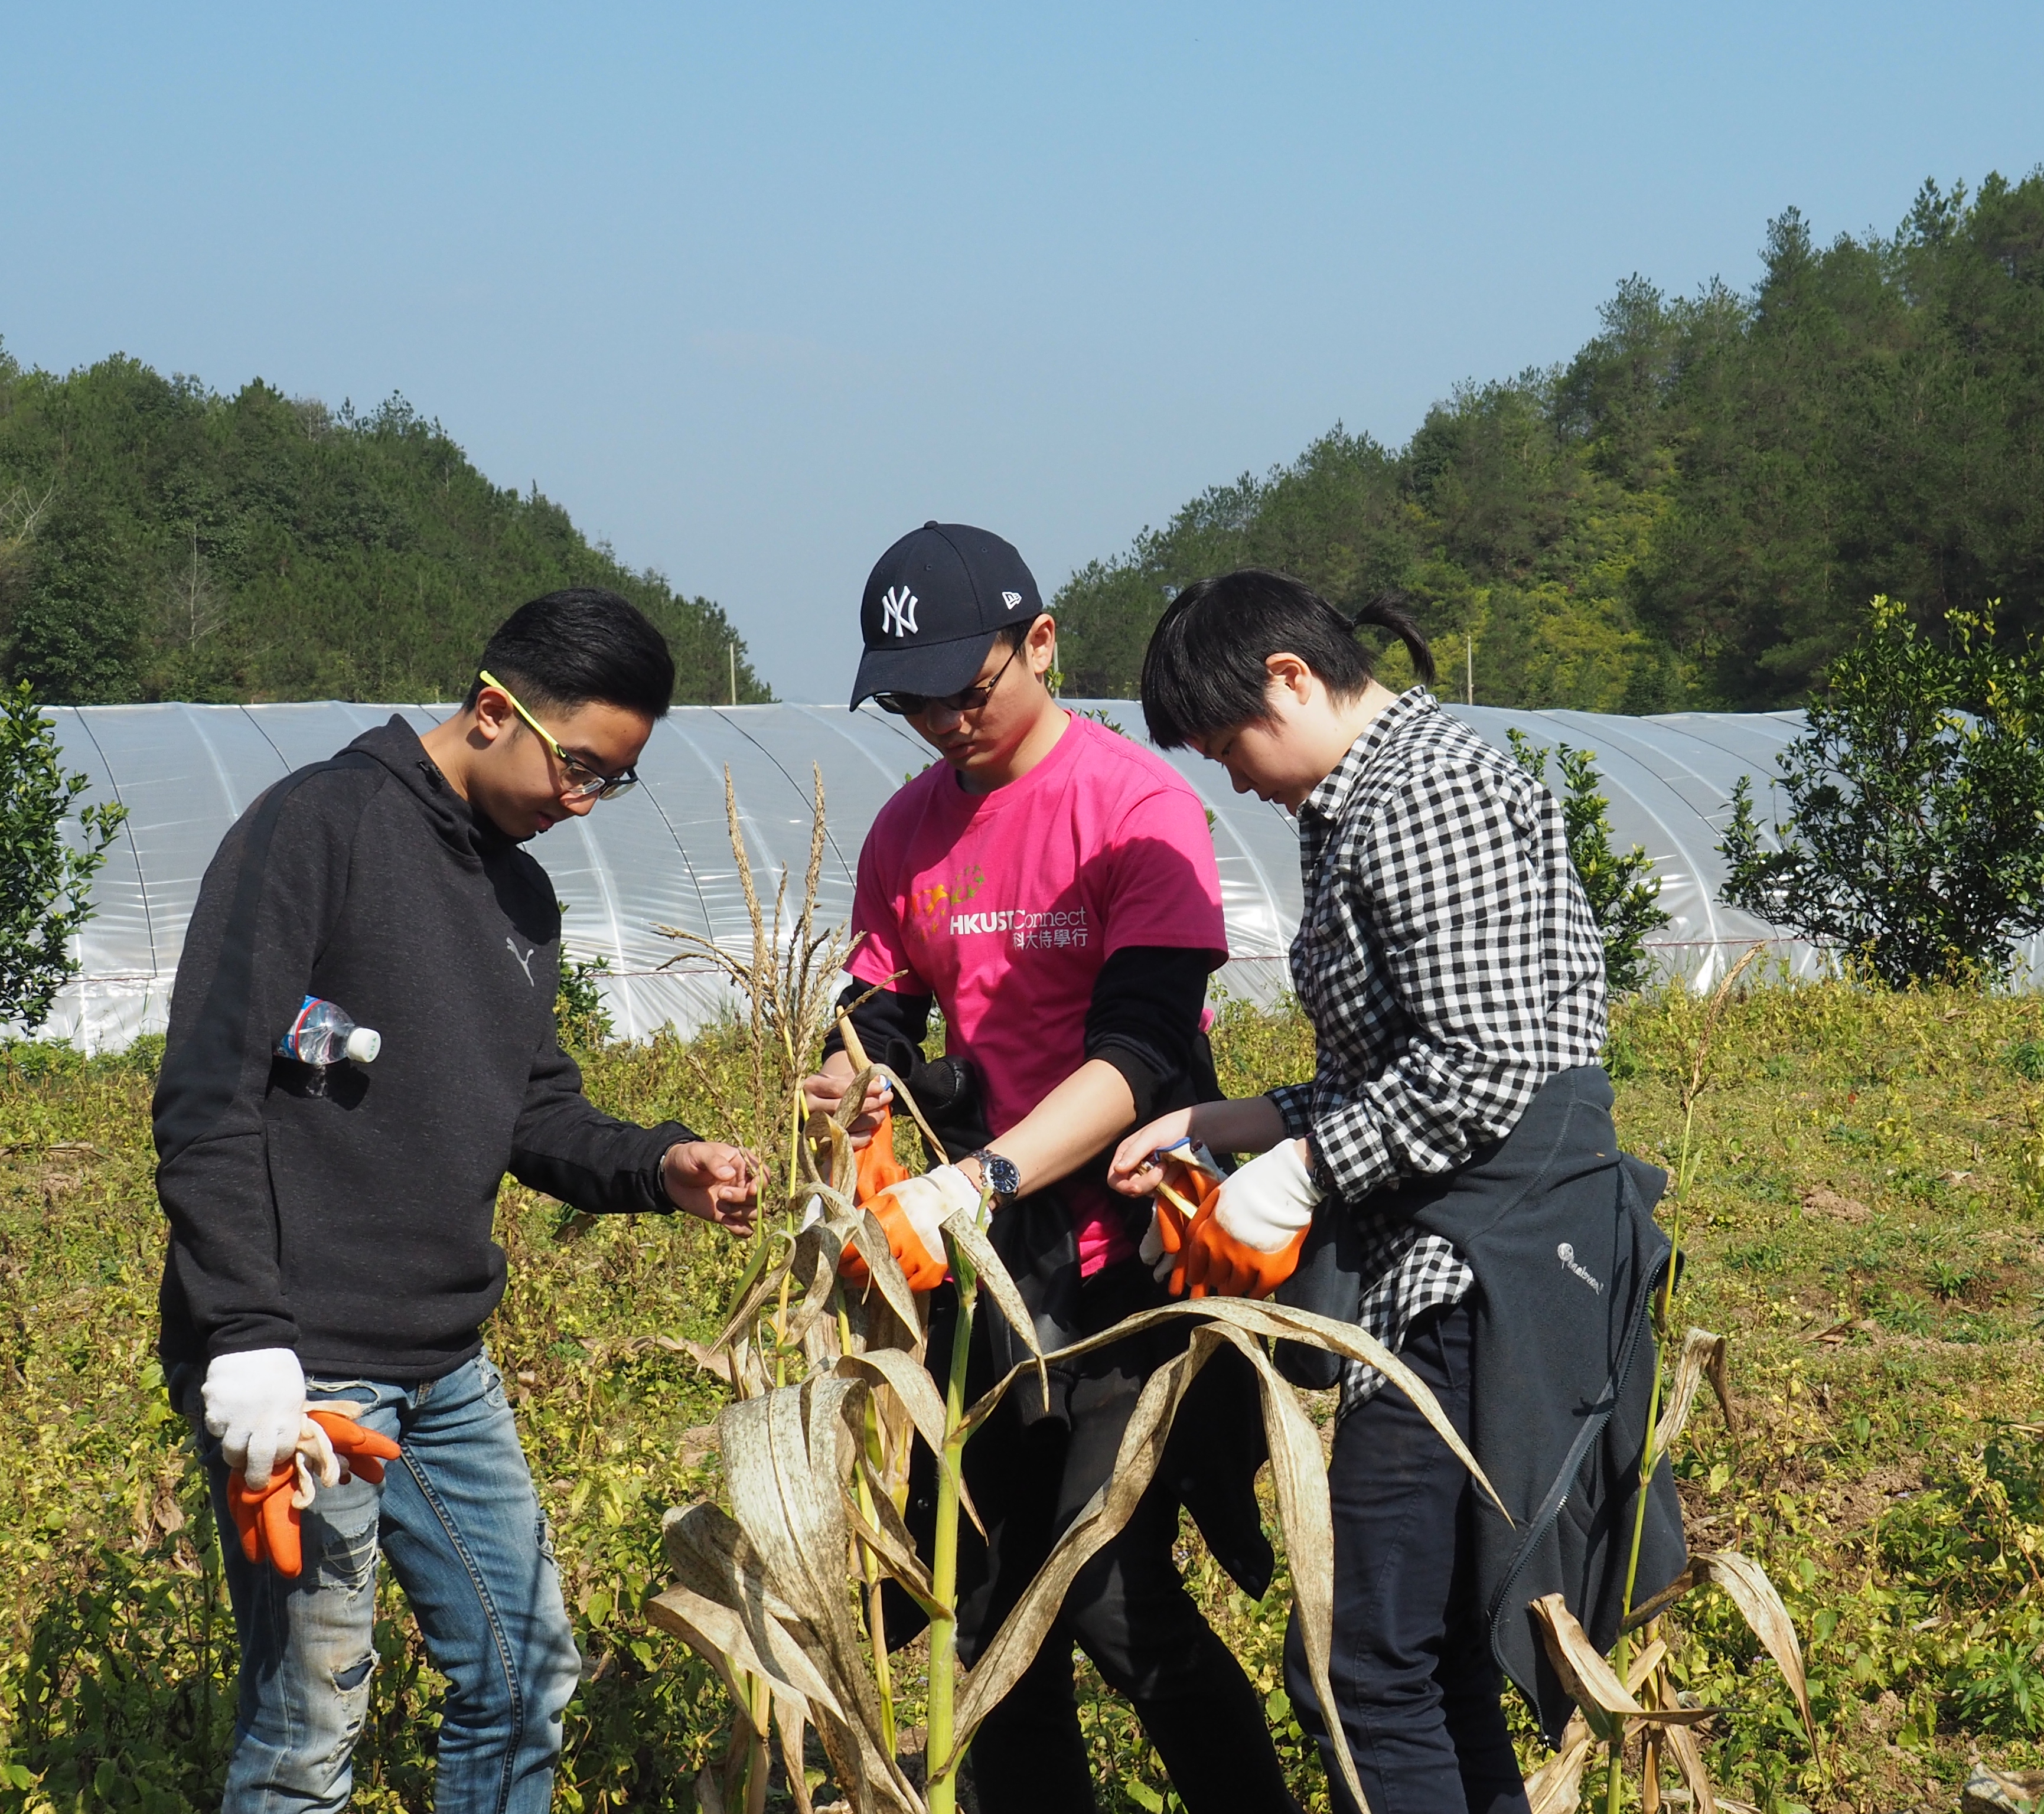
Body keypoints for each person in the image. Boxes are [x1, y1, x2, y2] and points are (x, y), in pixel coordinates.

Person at [155, 589, 765, 1814]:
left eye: (616, 782)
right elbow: (207, 1095)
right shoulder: (319, 829)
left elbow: (531, 1110)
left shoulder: (519, 900)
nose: (584, 803)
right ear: (495, 709)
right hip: (307, 1367)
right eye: (580, 766)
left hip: (441, 1368)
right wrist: (248, 1338)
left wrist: (661, 1163)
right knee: (307, 1723)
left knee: (524, 1669)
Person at [1109, 568, 1684, 1814]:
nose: (1234, 780)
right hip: (1446, 1266)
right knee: (1428, 1659)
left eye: (1230, 745)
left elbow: (1484, 1072)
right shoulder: (1358, 804)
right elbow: (1396, 1071)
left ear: (1293, 680)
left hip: (1491, 1269)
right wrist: (1223, 1123)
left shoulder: (1430, 792)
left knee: (1363, 1665)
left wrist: (1301, 1171)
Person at [800, 522, 1292, 1814]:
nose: (944, 725)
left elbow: (1140, 1055)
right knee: (987, 1607)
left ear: (1040, 645)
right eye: (913, 703)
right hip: (978, 1279)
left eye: (969, 692)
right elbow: (877, 1012)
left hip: (1118, 1263)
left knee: (1106, 1594)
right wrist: (859, 1075)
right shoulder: (907, 831)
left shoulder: (1136, 807)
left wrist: (987, 1178)